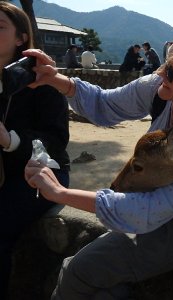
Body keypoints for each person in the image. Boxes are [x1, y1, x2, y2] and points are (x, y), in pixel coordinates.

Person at [24, 25, 173, 300]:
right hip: (149, 211)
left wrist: (59, 193)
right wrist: (55, 79)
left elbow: (150, 210)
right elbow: (105, 104)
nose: (161, 73)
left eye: (171, 71)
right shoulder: (163, 90)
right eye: (165, 63)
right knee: (99, 284)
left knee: (77, 270)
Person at [0, 2, 70, 299]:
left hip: (40, 175)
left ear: (21, 38)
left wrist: (10, 140)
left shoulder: (43, 79)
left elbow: (56, 143)